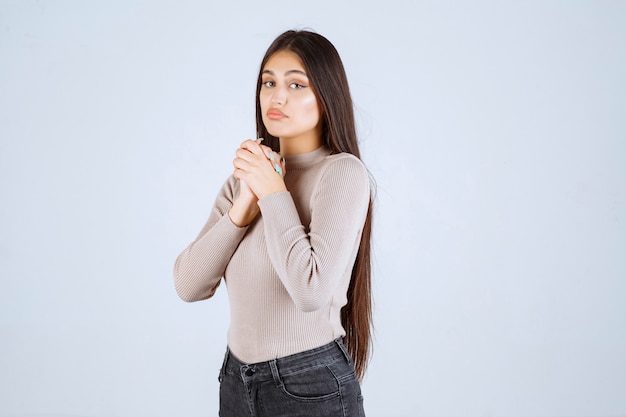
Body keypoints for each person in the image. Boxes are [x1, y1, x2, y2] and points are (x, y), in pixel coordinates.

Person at [173, 29, 373, 417]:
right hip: (235, 381)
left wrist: (272, 193)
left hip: (308, 384)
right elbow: (188, 284)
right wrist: (243, 208)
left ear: (326, 95)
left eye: (296, 84)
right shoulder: (243, 180)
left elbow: (310, 291)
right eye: (269, 82)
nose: (277, 96)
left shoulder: (342, 173)